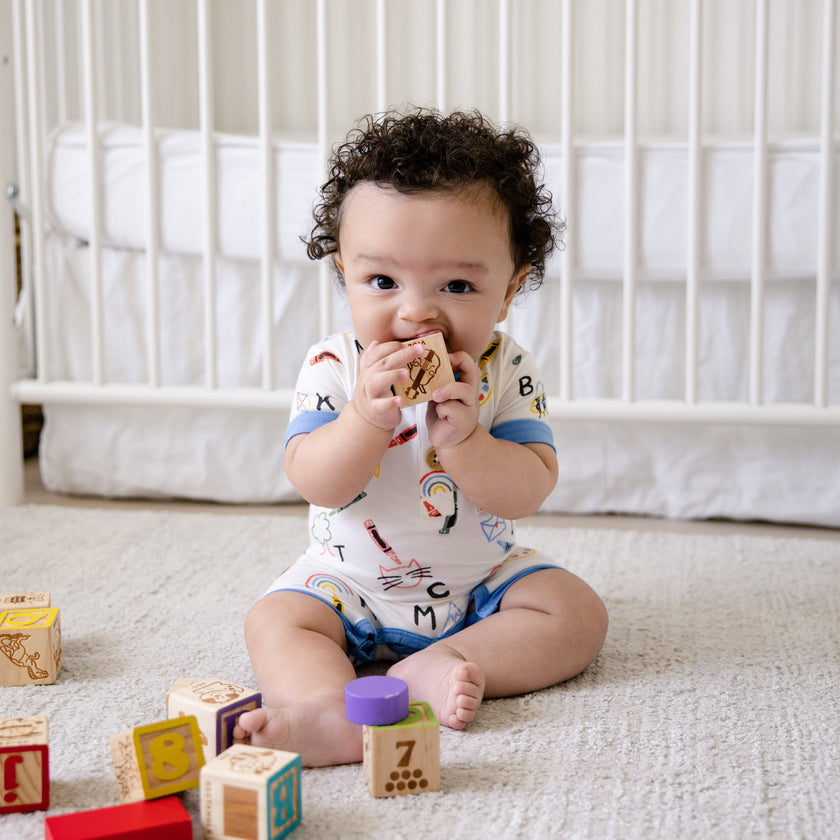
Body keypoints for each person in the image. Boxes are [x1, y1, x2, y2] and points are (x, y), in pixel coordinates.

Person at [234, 109, 608, 767]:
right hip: (346, 583)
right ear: (343, 272)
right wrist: (365, 421)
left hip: (478, 588)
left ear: (509, 290)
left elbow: (527, 489)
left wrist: (466, 439)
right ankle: (326, 710)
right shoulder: (335, 366)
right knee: (274, 621)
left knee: (576, 615)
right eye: (382, 281)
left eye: (457, 285)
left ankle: (442, 665)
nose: (416, 312)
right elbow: (315, 477)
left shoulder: (505, 369)